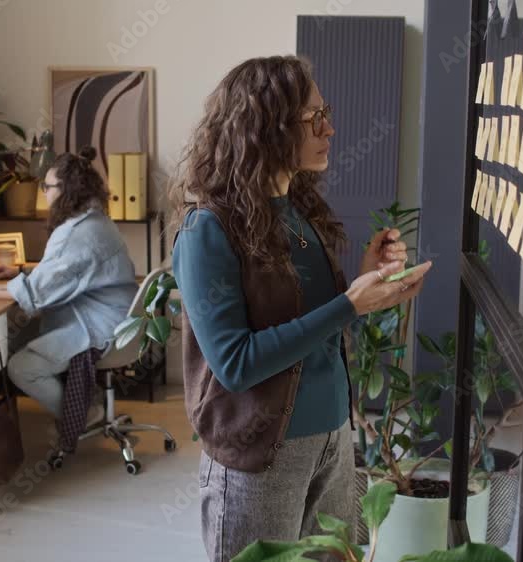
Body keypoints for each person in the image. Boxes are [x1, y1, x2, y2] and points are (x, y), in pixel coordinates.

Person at [168, 56, 433, 562]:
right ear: (264, 127)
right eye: (313, 118)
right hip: (261, 455)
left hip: (334, 442)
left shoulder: (297, 211)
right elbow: (235, 363)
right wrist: (349, 304)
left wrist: (364, 284)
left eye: (325, 114)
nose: (329, 128)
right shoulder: (208, 230)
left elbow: (313, 323)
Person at [0, 146, 139, 426]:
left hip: (102, 327)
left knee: (20, 367)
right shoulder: (95, 219)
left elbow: (36, 293)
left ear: (66, 191)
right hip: (118, 318)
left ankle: (84, 415)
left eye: (47, 187)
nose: (43, 193)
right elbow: (69, 273)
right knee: (16, 337)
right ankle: (86, 400)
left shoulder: (75, 233)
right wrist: (20, 271)